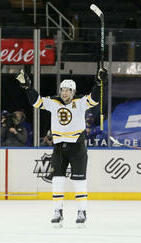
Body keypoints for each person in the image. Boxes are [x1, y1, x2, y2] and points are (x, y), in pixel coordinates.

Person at [16, 68, 106, 227]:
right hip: (58, 147)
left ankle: (81, 211)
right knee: (57, 180)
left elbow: (94, 99)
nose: (64, 93)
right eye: (63, 90)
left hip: (77, 147)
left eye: (68, 90)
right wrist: (27, 88)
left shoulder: (79, 103)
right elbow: (36, 102)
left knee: (79, 181)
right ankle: (57, 211)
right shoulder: (54, 102)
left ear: (73, 92)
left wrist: (98, 84)